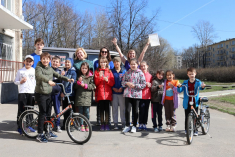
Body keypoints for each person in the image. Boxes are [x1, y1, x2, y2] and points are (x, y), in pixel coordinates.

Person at [35, 52, 74, 143]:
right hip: (40, 93)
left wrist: (67, 79)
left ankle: (47, 132)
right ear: (41, 59)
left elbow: (58, 75)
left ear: (49, 60)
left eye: (47, 59)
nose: (45, 60)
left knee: (48, 113)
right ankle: (40, 134)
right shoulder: (38, 68)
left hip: (48, 93)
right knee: (43, 113)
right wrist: (48, 81)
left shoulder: (49, 69)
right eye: (43, 58)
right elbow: (40, 76)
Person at [177, 67, 206, 136]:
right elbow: (180, 91)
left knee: (195, 116)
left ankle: (195, 130)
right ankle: (187, 129)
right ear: (187, 75)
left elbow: (201, 87)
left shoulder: (198, 82)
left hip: (195, 102)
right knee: (187, 116)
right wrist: (179, 86)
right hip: (187, 102)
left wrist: (203, 86)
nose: (191, 75)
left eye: (192, 74)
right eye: (190, 74)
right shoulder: (185, 82)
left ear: (195, 74)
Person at [122, 59, 146, 133]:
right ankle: (127, 126)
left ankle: (134, 126)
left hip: (136, 95)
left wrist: (135, 85)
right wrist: (127, 84)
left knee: (135, 111)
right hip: (128, 94)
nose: (133, 65)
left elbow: (143, 84)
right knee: (127, 110)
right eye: (131, 64)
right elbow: (123, 82)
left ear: (137, 65)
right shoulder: (127, 72)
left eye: (134, 64)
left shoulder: (140, 73)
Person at [14, 55, 36, 134]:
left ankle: (29, 125)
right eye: (27, 61)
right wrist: (20, 82)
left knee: (30, 109)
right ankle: (20, 126)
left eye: (30, 61)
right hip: (22, 92)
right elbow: (15, 81)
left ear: (32, 63)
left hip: (31, 92)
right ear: (24, 61)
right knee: (21, 110)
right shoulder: (20, 71)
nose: (28, 63)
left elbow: (36, 82)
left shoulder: (34, 71)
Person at [94, 47, 113, 126]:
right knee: (101, 109)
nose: (103, 64)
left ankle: (107, 122)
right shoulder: (97, 71)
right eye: (101, 63)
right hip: (100, 93)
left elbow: (112, 82)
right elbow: (96, 83)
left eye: (104, 63)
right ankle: (101, 123)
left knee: (108, 109)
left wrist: (107, 80)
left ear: (106, 63)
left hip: (107, 93)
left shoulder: (109, 71)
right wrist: (99, 77)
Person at [74, 62, 96, 132]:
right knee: (80, 112)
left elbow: (93, 86)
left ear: (88, 69)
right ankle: (81, 125)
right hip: (80, 97)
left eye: (85, 68)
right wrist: (78, 82)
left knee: (86, 112)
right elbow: (75, 87)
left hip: (87, 98)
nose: (84, 70)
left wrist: (86, 86)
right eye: (83, 68)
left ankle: (87, 124)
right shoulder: (78, 76)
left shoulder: (91, 76)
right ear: (80, 68)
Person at [60, 58, 77, 130]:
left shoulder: (73, 72)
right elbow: (61, 82)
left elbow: (73, 81)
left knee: (71, 110)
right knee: (65, 110)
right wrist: (62, 75)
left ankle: (71, 125)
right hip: (64, 94)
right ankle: (65, 124)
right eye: (66, 62)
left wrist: (71, 79)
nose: (67, 64)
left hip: (70, 94)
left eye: (68, 62)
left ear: (71, 63)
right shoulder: (63, 71)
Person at [111, 57, 126, 130]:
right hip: (114, 93)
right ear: (113, 63)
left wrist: (122, 88)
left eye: (118, 62)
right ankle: (115, 124)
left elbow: (126, 80)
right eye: (115, 62)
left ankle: (123, 123)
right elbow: (109, 81)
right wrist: (112, 87)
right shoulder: (111, 71)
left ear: (120, 63)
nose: (116, 63)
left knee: (122, 109)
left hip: (122, 93)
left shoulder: (124, 71)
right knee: (114, 109)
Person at [138, 61, 152, 131]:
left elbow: (153, 85)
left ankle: (144, 123)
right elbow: (137, 84)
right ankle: (140, 123)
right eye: (141, 66)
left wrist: (150, 85)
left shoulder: (150, 76)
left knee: (146, 110)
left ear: (147, 66)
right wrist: (144, 84)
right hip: (140, 96)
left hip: (148, 96)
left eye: (144, 66)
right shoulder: (139, 75)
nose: (143, 67)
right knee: (141, 110)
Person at [51, 56, 63, 132]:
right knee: (47, 110)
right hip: (48, 93)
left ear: (59, 64)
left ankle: (57, 125)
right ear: (51, 62)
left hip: (57, 94)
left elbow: (62, 83)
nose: (55, 63)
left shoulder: (60, 72)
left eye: (57, 62)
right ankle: (47, 124)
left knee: (57, 110)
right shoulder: (48, 70)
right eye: (54, 61)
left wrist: (62, 92)